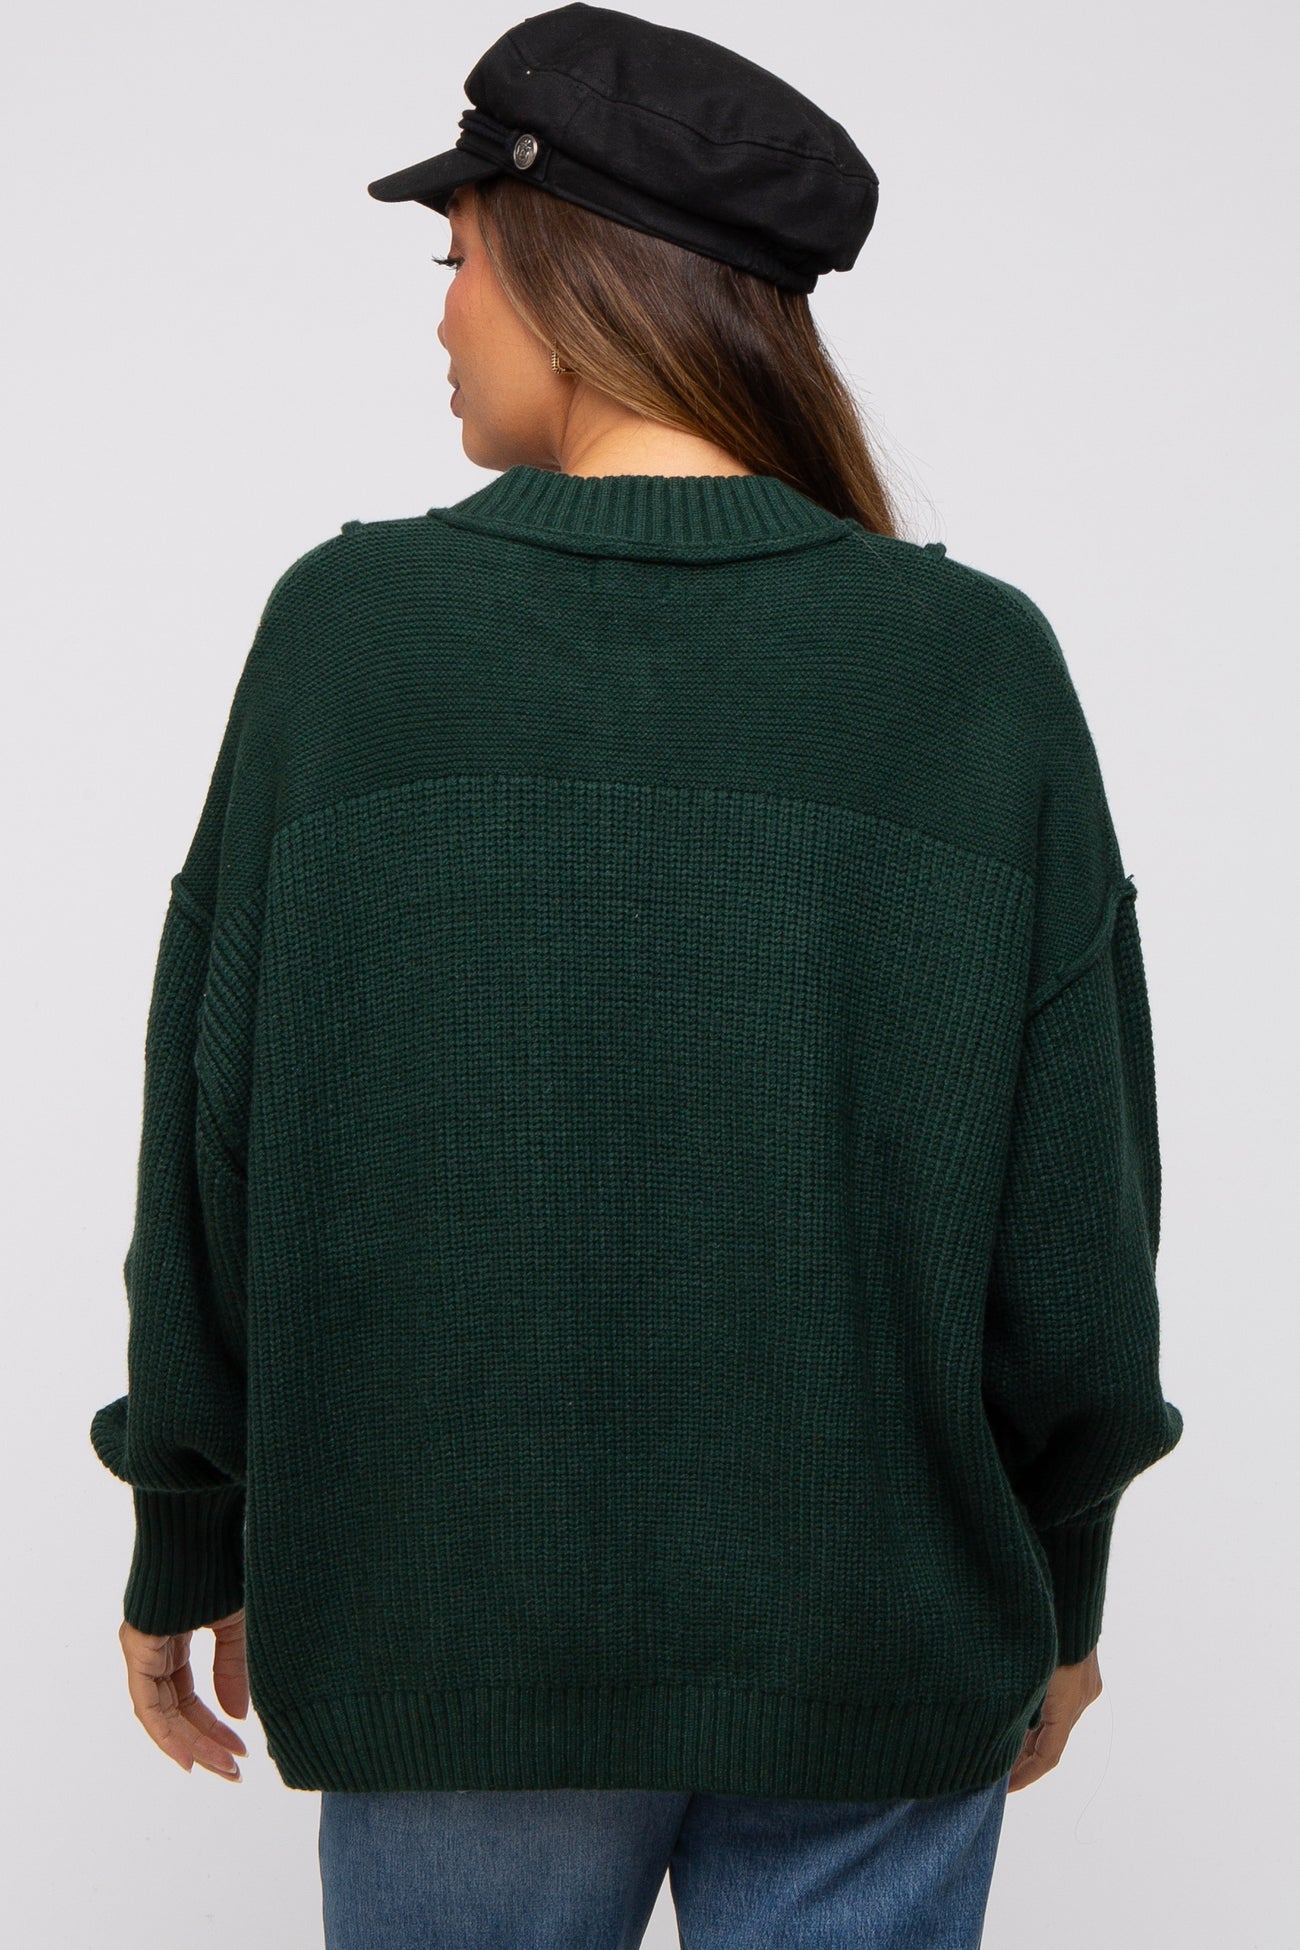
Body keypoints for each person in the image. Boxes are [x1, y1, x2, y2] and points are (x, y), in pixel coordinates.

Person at [90, 7, 1183, 1946]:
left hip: (456, 1634)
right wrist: (1060, 1576)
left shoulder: (349, 643)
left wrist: (191, 1516)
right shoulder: (970, 670)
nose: (441, 316)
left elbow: (210, 1139)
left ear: (559, 268)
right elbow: (1075, 1220)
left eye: (455, 258)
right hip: (875, 1638)